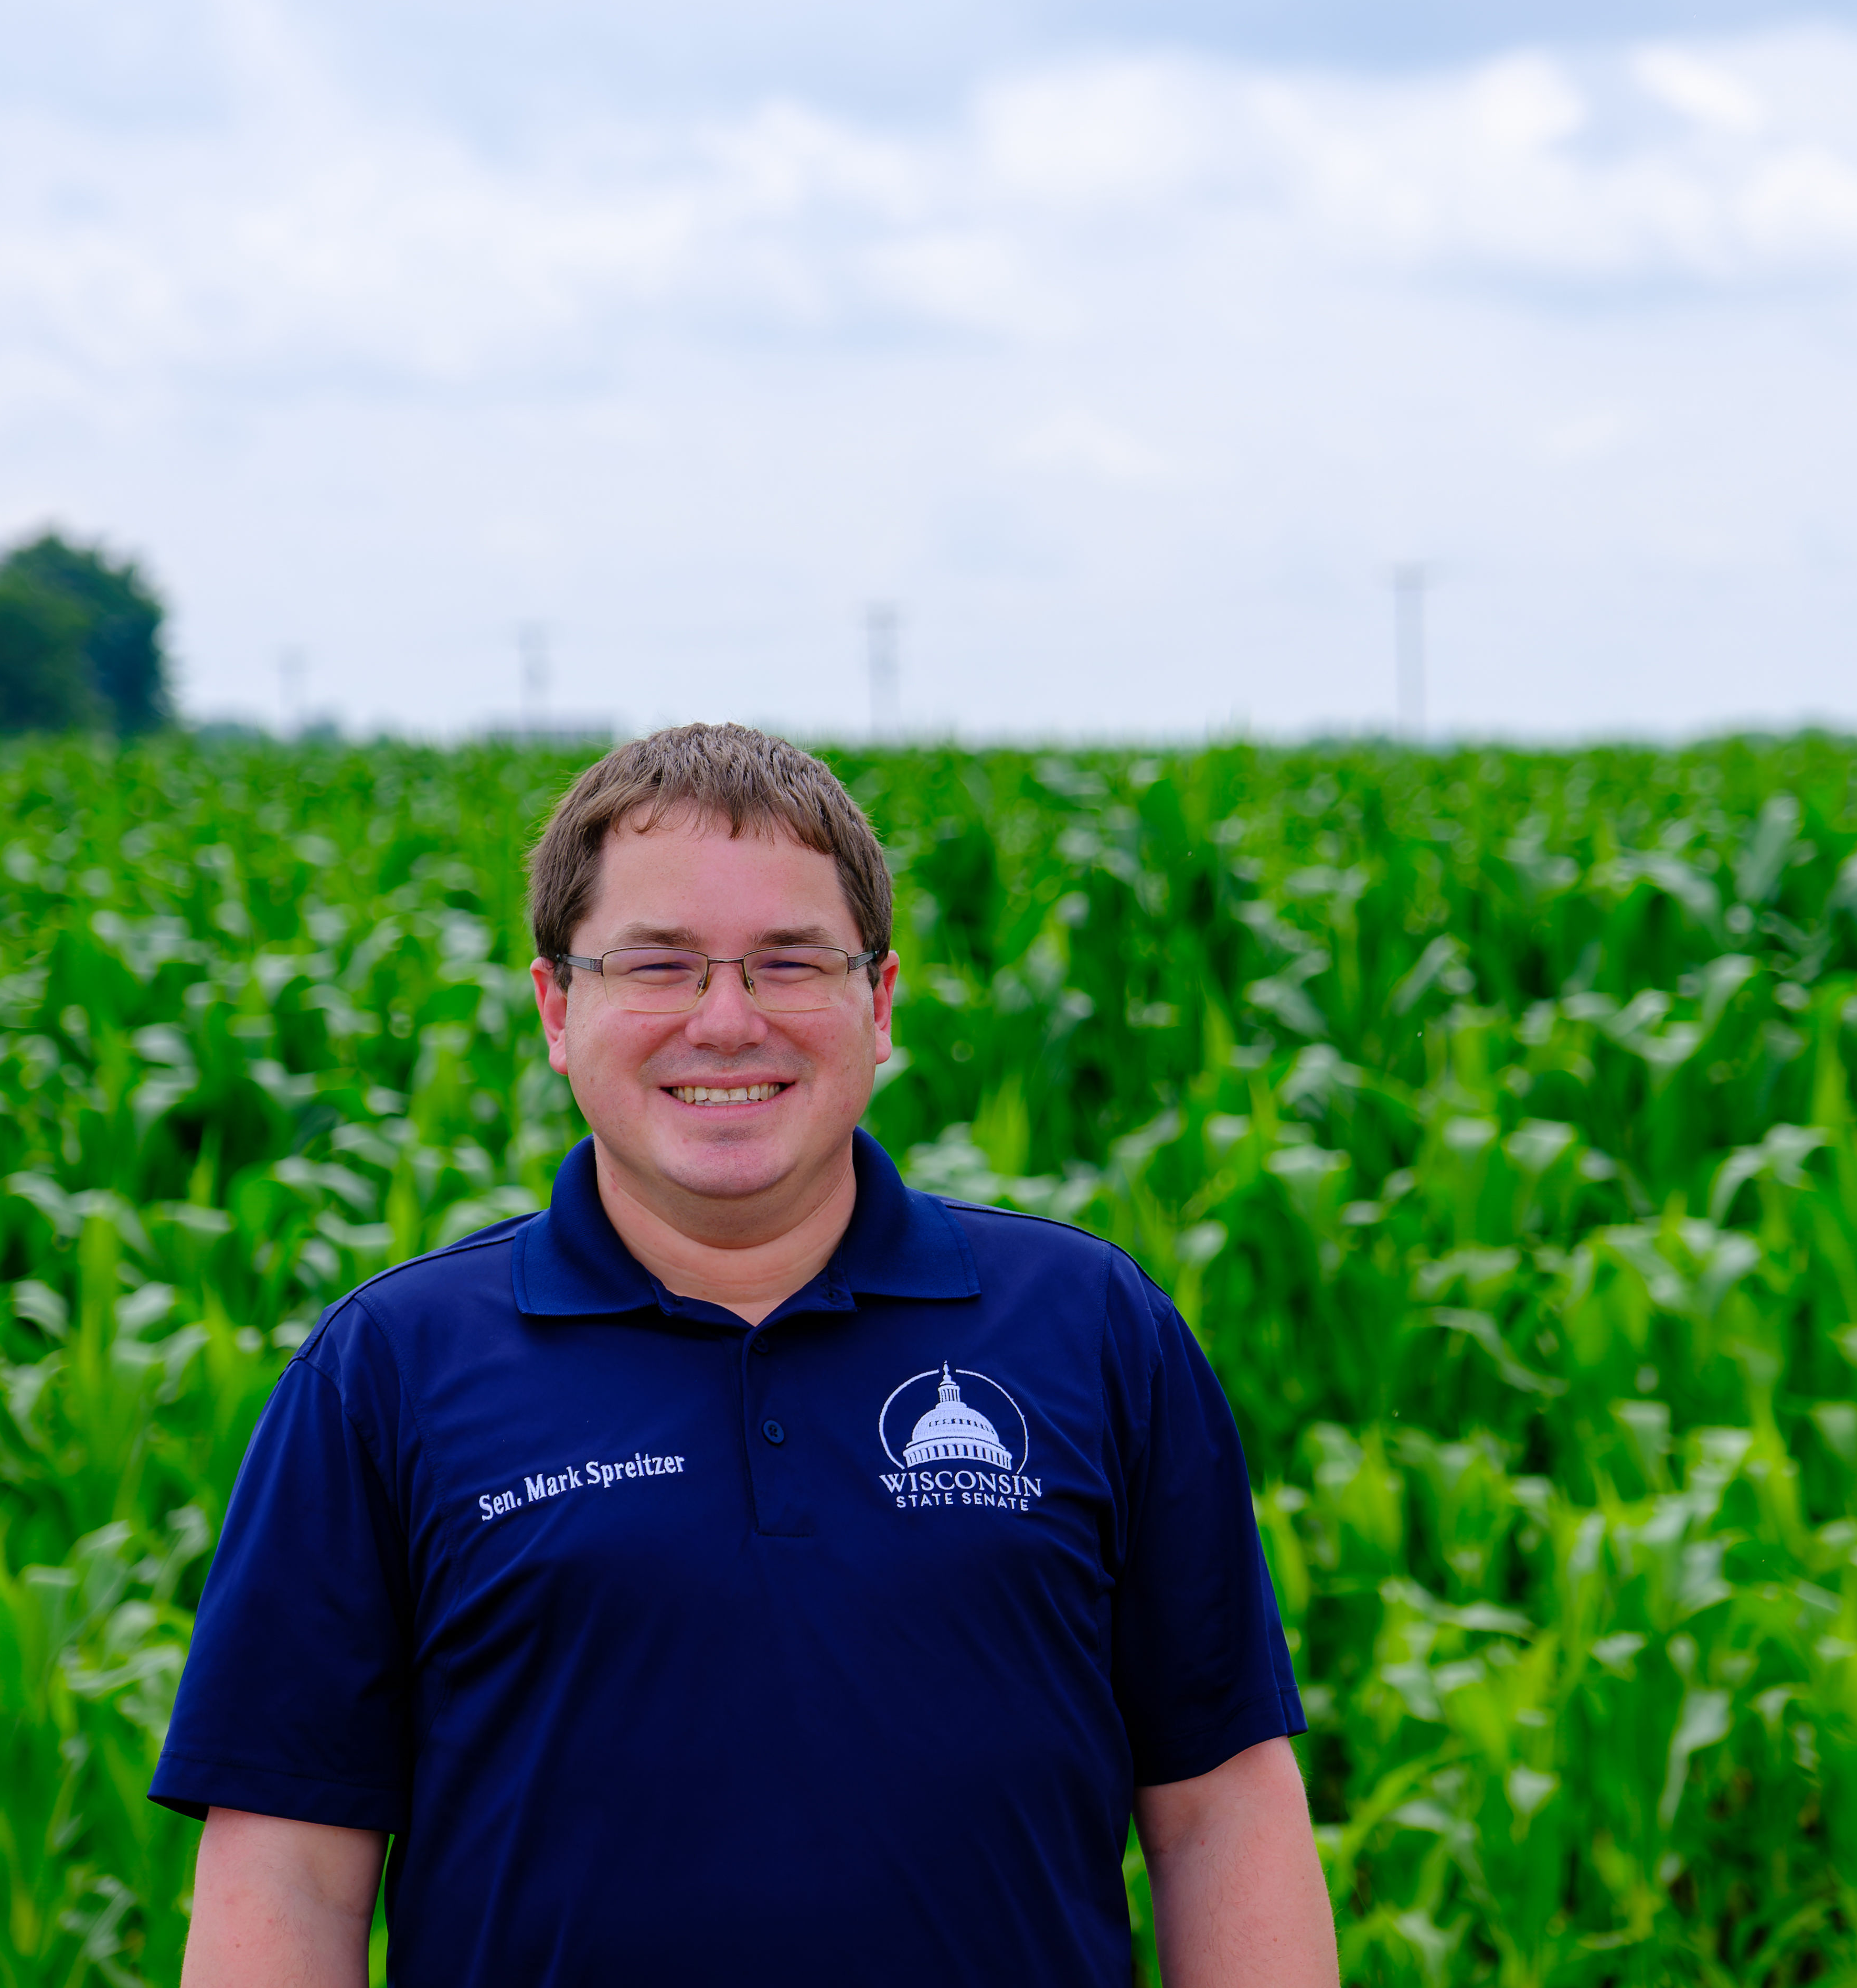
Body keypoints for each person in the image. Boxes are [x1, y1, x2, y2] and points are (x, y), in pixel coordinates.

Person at [153, 724, 1337, 1986]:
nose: (727, 1022)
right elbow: (286, 1865)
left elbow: (1223, 1808)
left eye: (790, 963)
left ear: (876, 1002)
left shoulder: (1094, 1329)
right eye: (658, 965)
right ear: (560, 1006)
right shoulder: (385, 1371)